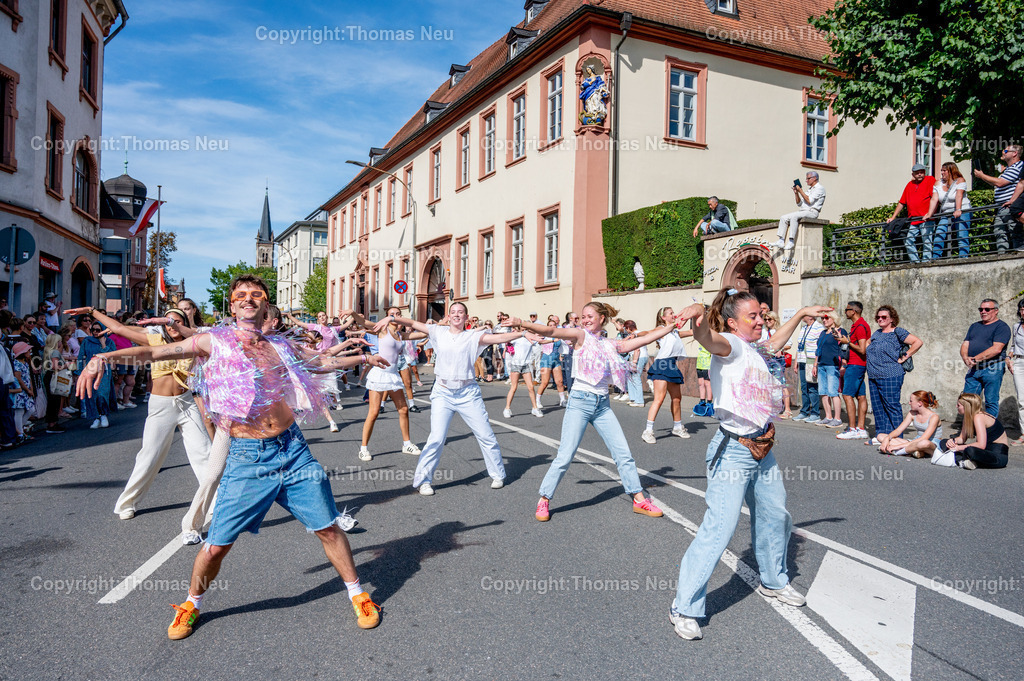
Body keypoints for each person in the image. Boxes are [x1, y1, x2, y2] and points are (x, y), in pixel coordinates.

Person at [77, 274, 387, 638]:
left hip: (293, 450)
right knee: (215, 547)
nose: (249, 299)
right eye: (241, 295)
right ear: (232, 304)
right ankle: (192, 602)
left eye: (257, 295)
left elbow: (319, 363)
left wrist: (365, 356)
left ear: (266, 305)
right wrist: (103, 357)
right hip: (248, 457)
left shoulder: (280, 346)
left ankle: (358, 594)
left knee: (328, 528)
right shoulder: (212, 341)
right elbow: (153, 352)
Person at [668, 290, 833, 640]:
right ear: (732, 323)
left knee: (776, 515)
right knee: (719, 529)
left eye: (761, 314)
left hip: (762, 447)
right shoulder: (732, 344)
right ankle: (684, 606)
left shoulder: (755, 346)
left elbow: (776, 342)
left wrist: (802, 312)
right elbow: (707, 338)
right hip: (733, 452)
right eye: (753, 317)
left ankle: (774, 582)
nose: (760, 320)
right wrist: (698, 312)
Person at [508, 303, 679, 522]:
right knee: (565, 455)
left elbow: (644, 339)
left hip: (602, 405)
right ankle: (544, 499)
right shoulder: (580, 335)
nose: (585, 319)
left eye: (590, 316)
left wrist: (670, 327)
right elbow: (551, 331)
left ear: (602, 318)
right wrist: (521, 323)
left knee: (623, 454)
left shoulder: (610, 344)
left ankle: (638, 499)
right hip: (579, 402)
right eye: (583, 316)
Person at [67, 306, 215, 538]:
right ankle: (127, 503)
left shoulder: (195, 340)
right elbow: (117, 328)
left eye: (176, 321)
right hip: (161, 405)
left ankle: (214, 504)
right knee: (150, 456)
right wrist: (93, 311)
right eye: (167, 321)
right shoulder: (153, 338)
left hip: (186, 402)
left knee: (204, 453)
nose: (171, 325)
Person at [376, 303, 525, 495]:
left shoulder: (473, 336)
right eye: (453, 312)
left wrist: (522, 334)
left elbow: (499, 337)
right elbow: (414, 322)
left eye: (460, 312)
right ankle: (424, 480)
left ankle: (497, 474)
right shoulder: (438, 331)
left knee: (486, 435)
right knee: (436, 438)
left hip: (468, 393)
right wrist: (392, 318)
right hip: (443, 393)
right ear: (449, 315)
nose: (456, 315)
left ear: (466, 317)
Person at [347, 308, 422, 461]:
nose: (395, 316)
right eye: (392, 314)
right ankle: (363, 448)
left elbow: (423, 332)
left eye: (398, 314)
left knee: (403, 409)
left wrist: (442, 324)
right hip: (380, 374)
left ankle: (407, 444)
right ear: (387, 317)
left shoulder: (402, 335)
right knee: (373, 413)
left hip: (393, 375)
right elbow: (364, 322)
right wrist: (353, 313)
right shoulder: (382, 329)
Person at [865, 305, 923, 446]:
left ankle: (896, 437)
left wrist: (904, 357)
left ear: (891, 319)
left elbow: (917, 342)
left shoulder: (897, 332)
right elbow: (868, 343)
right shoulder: (877, 333)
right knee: (878, 407)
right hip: (873, 375)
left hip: (890, 375)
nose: (880, 319)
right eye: (878, 317)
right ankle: (881, 435)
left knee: (892, 406)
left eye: (884, 317)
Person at [642, 306, 694, 443]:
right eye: (671, 313)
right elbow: (648, 332)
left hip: (671, 365)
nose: (674, 315)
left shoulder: (675, 332)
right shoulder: (661, 329)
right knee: (659, 399)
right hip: (661, 365)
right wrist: (635, 334)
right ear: (663, 318)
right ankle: (648, 431)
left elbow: (691, 331)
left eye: (673, 313)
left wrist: (700, 316)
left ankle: (677, 427)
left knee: (677, 398)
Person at [961, 298, 1011, 417]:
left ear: (996, 311)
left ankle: (990, 432)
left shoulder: (1002, 327)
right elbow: (965, 343)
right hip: (974, 368)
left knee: (991, 402)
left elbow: (997, 349)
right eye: (981, 309)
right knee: (967, 401)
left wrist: (974, 359)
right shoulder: (974, 326)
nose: (983, 311)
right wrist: (965, 357)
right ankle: (968, 431)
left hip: (993, 367)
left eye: (987, 309)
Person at [972, 144, 1023, 252]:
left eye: (1006, 150)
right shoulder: (1008, 169)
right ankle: (1002, 257)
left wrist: (982, 176)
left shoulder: (1018, 166)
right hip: (1002, 207)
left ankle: (1019, 254)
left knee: (1014, 231)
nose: (1003, 152)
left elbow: (1000, 183)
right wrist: (983, 177)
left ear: (1014, 153)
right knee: (999, 232)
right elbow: (996, 183)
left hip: (1010, 206)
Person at [942, 393, 1009, 469]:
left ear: (966, 407)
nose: (956, 407)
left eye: (959, 405)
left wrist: (958, 448)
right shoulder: (967, 418)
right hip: (982, 451)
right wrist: (953, 441)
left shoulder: (979, 417)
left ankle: (962, 460)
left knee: (970, 451)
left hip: (996, 455)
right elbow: (962, 438)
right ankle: (967, 461)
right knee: (944, 442)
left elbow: (981, 445)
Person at [887, 163, 937, 262]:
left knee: (927, 241)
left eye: (922, 172)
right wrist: (893, 217)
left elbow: (935, 198)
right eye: (917, 173)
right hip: (913, 220)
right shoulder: (910, 185)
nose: (920, 174)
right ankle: (916, 262)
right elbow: (902, 202)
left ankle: (926, 262)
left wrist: (931, 213)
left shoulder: (930, 180)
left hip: (926, 218)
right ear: (913, 174)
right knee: (908, 241)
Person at [837, 301, 871, 440]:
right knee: (861, 396)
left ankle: (852, 429)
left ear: (854, 311)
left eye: (847, 309)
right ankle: (861, 429)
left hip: (856, 365)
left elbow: (862, 349)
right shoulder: (858, 325)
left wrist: (847, 342)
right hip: (858, 365)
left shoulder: (861, 326)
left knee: (847, 395)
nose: (845, 312)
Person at [771, 171, 826, 252]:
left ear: (814, 178)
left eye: (808, 178)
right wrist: (796, 193)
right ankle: (781, 240)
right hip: (803, 211)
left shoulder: (820, 189)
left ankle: (791, 241)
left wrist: (800, 190)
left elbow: (809, 201)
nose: (806, 180)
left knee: (794, 216)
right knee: (783, 218)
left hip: (812, 212)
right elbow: (799, 203)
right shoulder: (810, 190)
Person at [926, 162, 971, 259]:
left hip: (962, 210)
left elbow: (959, 195)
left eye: (944, 170)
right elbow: (934, 199)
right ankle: (935, 258)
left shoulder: (960, 181)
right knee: (939, 234)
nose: (942, 172)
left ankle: (963, 258)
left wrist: (958, 209)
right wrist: (929, 213)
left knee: (962, 235)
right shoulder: (938, 183)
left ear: (951, 171)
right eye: (941, 170)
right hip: (946, 212)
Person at [877, 391, 942, 458]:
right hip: (915, 441)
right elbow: (898, 430)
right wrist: (887, 438)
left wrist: (896, 446)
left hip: (931, 443)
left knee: (924, 443)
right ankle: (917, 452)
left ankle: (898, 451)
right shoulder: (912, 413)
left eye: (911, 401)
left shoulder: (934, 417)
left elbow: (924, 438)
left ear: (919, 403)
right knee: (880, 436)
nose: (909, 403)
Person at [77, 320, 115, 429]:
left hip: (104, 372)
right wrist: (79, 372)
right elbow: (81, 356)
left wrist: (103, 344)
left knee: (101, 394)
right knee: (91, 395)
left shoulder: (109, 342)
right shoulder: (87, 341)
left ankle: (103, 415)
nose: (95, 332)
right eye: (93, 330)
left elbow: (112, 356)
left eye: (98, 330)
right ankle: (95, 417)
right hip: (89, 371)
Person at [811, 311, 847, 427]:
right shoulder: (822, 333)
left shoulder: (841, 331)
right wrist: (815, 364)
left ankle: (837, 419)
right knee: (823, 392)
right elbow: (818, 350)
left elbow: (845, 348)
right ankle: (828, 416)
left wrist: (843, 365)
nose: (824, 320)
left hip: (833, 365)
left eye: (826, 318)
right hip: (822, 364)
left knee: (833, 392)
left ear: (834, 318)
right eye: (822, 318)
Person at [502, 323, 543, 418]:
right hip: (516, 364)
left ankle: (535, 408)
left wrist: (553, 340)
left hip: (526, 365)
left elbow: (541, 341)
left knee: (531, 387)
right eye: (523, 326)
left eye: (526, 327)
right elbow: (506, 339)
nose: (524, 328)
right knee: (514, 387)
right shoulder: (516, 337)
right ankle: (507, 409)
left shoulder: (530, 338)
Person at [792, 314, 824, 424]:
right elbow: (799, 346)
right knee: (804, 387)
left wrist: (816, 362)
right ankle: (804, 412)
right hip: (802, 360)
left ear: (811, 317)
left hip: (811, 361)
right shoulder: (803, 328)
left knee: (812, 387)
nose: (802, 317)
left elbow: (820, 346)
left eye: (804, 315)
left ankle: (815, 413)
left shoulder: (819, 327)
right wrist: (796, 361)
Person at [763, 312, 792, 418]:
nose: (767, 321)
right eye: (765, 320)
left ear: (775, 320)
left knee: (781, 384)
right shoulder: (763, 332)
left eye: (769, 319)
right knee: (768, 385)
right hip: (767, 360)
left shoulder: (780, 331)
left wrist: (781, 348)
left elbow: (789, 344)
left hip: (778, 360)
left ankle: (787, 409)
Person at [535, 316, 568, 408]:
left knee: (560, 381)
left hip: (556, 360)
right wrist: (552, 340)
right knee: (545, 382)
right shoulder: (545, 334)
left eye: (554, 325)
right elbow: (540, 342)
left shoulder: (559, 335)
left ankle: (563, 400)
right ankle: (537, 400)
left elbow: (565, 344)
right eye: (550, 325)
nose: (553, 326)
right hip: (546, 360)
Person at [9, 342, 35, 441]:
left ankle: (19, 430)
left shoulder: (25, 363)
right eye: (28, 350)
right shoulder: (17, 363)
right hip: (20, 391)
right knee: (19, 412)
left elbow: (29, 378)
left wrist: (31, 389)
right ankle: (20, 433)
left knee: (31, 409)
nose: (30, 352)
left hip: (26, 390)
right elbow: (18, 378)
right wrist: (27, 389)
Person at [1008, 299, 1024, 446]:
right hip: (1019, 363)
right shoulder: (1016, 327)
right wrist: (1008, 357)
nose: (1023, 312)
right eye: (1022, 309)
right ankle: (1023, 434)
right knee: (1022, 400)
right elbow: (1013, 346)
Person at [624, 320, 649, 408]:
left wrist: (634, 361)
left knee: (635, 377)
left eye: (625, 328)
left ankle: (639, 401)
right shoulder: (637, 334)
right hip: (641, 357)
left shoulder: (636, 334)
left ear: (628, 328)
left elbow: (637, 349)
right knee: (630, 377)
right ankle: (634, 399)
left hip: (638, 357)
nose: (625, 330)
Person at [692, 343, 714, 417]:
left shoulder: (710, 341)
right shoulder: (701, 339)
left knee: (707, 384)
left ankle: (709, 403)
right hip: (699, 365)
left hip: (707, 365)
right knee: (701, 383)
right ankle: (702, 401)